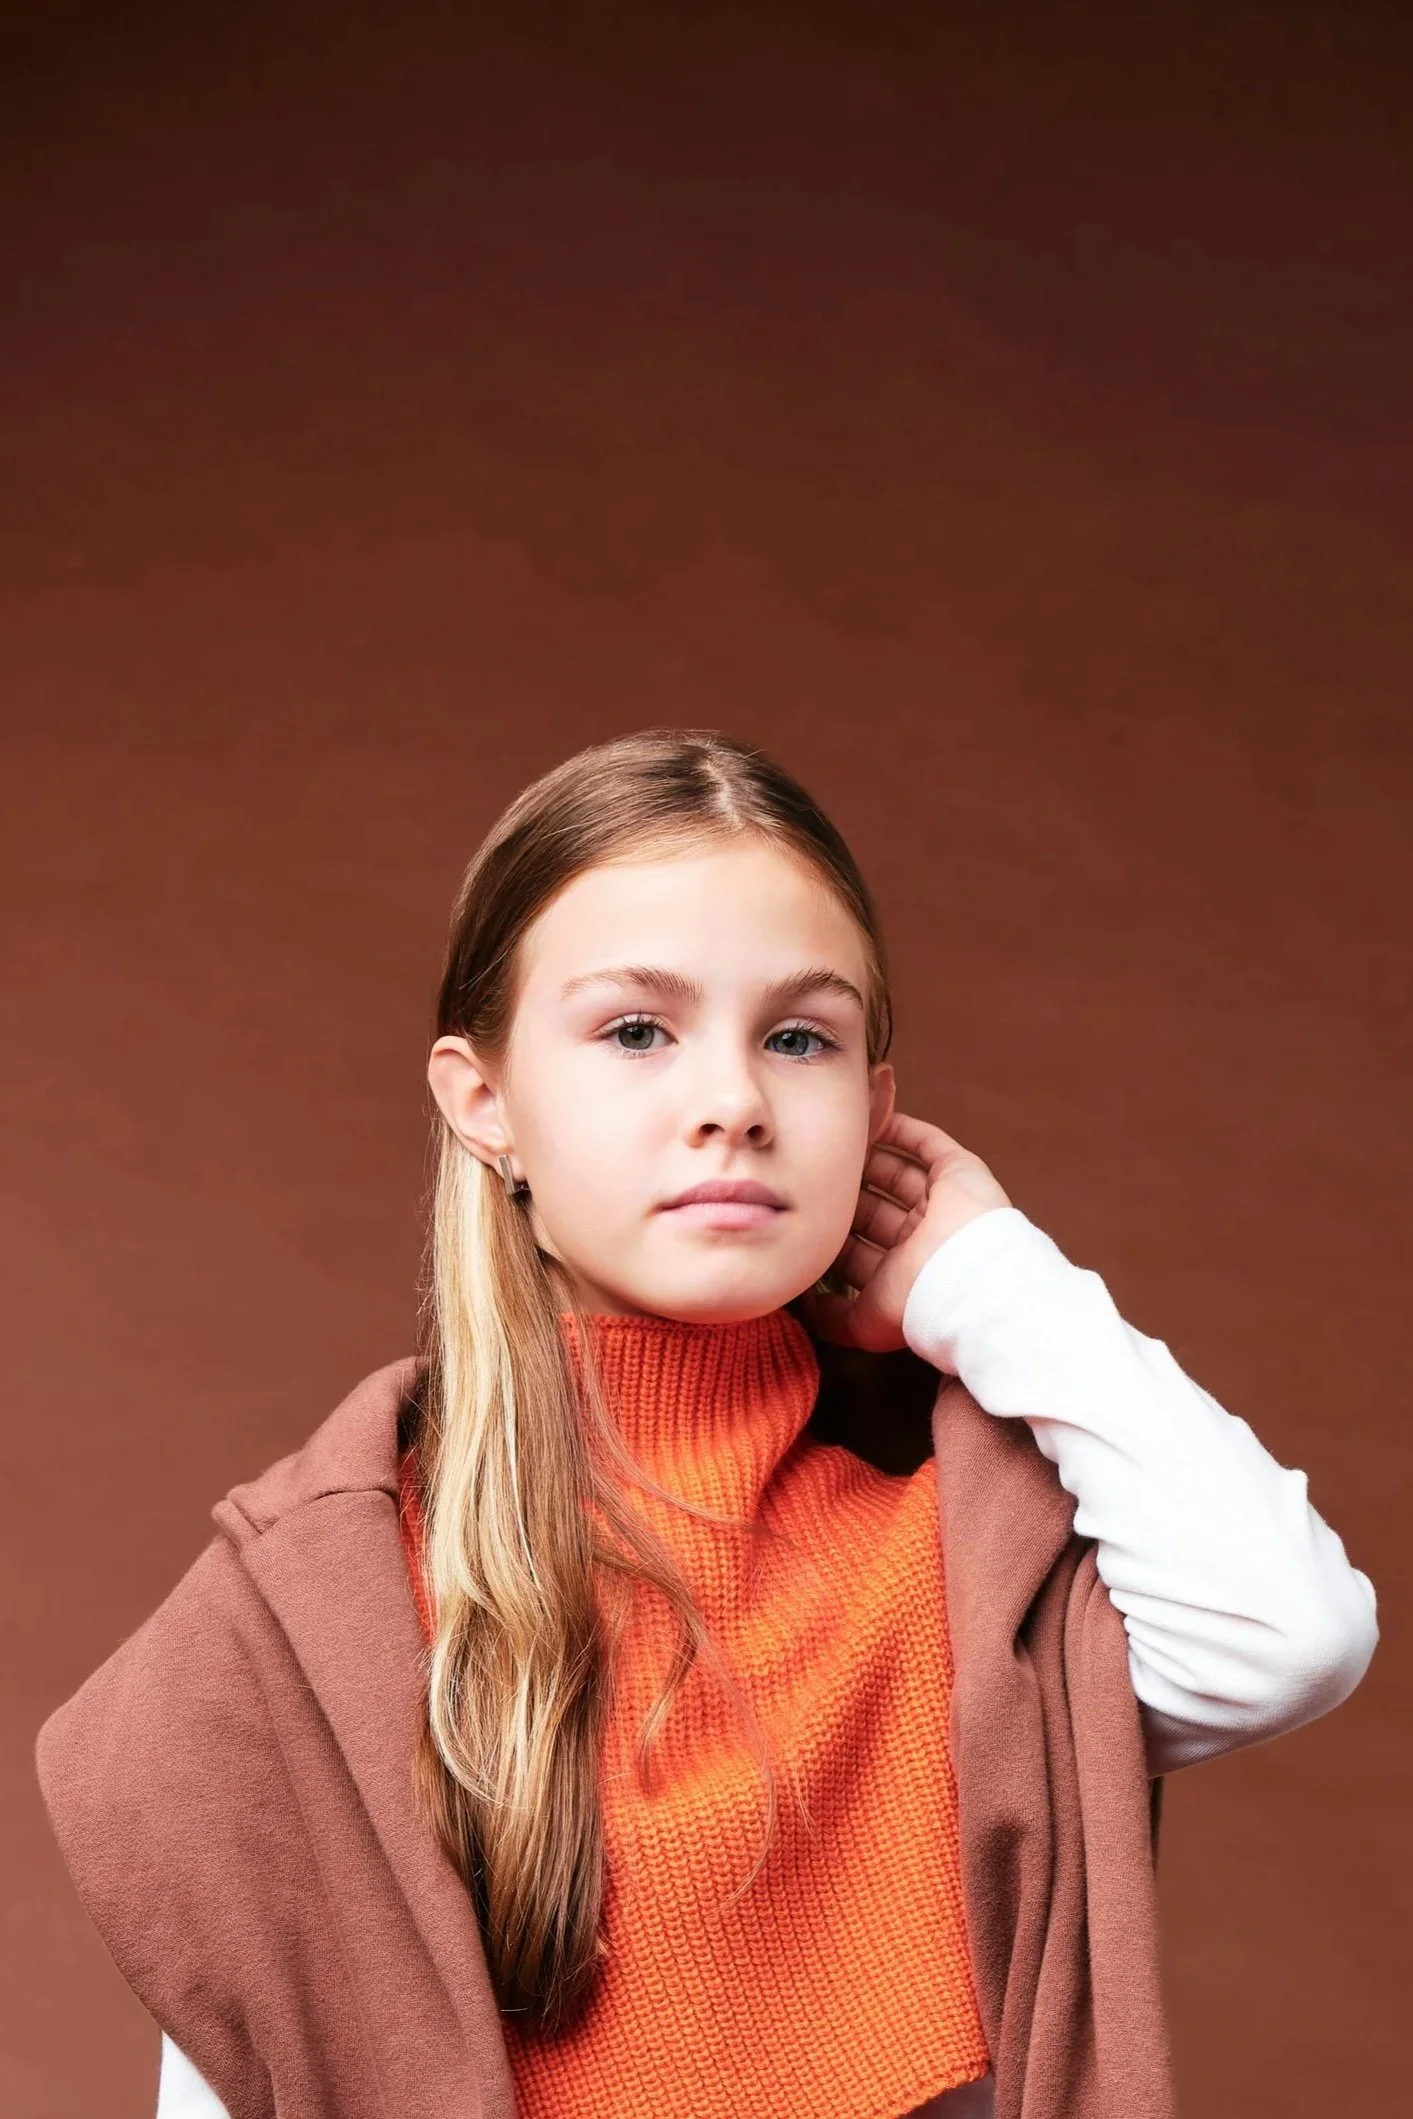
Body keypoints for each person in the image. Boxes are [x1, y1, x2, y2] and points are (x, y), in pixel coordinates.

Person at [36, 727, 1378, 2119]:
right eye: (636, 1030)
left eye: (799, 1037)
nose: (733, 1102)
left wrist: (987, 1273)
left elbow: (1290, 1630)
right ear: (482, 1099)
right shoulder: (323, 1618)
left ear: (873, 1114)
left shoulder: (966, 1574)